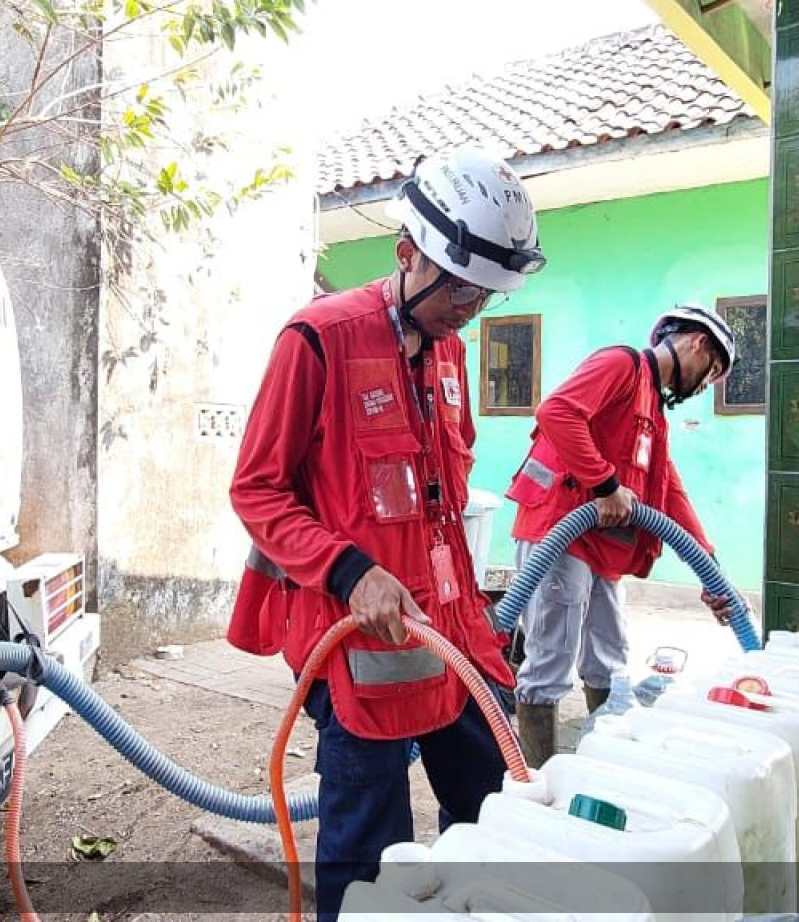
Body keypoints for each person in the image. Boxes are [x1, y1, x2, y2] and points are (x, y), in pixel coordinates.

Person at [224, 146, 545, 920]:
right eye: (461, 289)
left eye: (487, 295)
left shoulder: (451, 354)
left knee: (498, 813)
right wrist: (346, 570)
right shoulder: (316, 341)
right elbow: (257, 488)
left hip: (454, 635)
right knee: (372, 858)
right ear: (408, 255)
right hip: (361, 648)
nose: (470, 308)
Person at [501, 304, 742, 766]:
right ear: (698, 343)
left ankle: (605, 764)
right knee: (550, 664)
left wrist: (710, 568)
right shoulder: (622, 364)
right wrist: (607, 485)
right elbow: (557, 412)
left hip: (601, 550)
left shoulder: (652, 407)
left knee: (609, 657)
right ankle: (537, 783)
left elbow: (668, 491)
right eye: (710, 373)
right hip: (561, 532)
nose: (704, 386)